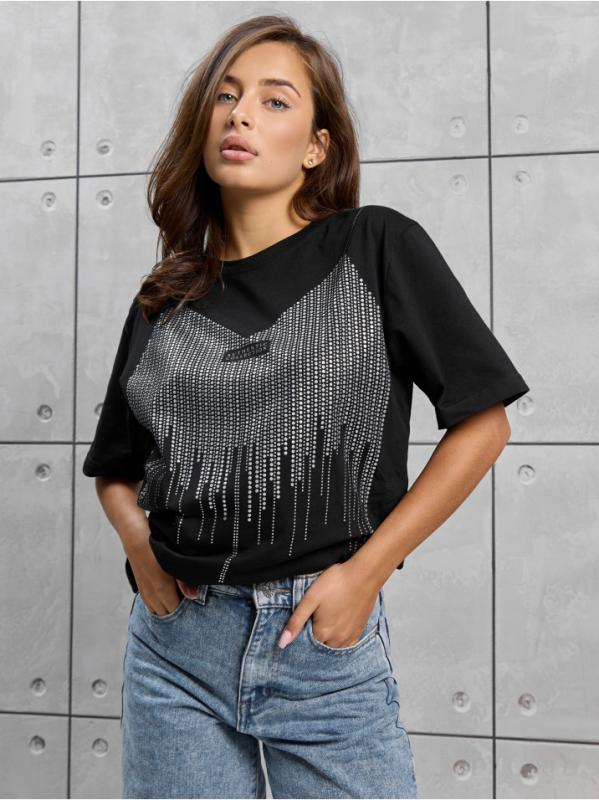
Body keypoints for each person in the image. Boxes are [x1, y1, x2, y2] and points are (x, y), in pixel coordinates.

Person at [82, 14, 529, 800]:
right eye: (225, 96)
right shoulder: (165, 298)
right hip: (175, 649)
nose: (240, 115)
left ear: (317, 147)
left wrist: (365, 574)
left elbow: (483, 423)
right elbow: (116, 469)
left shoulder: (374, 246)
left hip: (319, 638)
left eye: (274, 100)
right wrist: (141, 550)